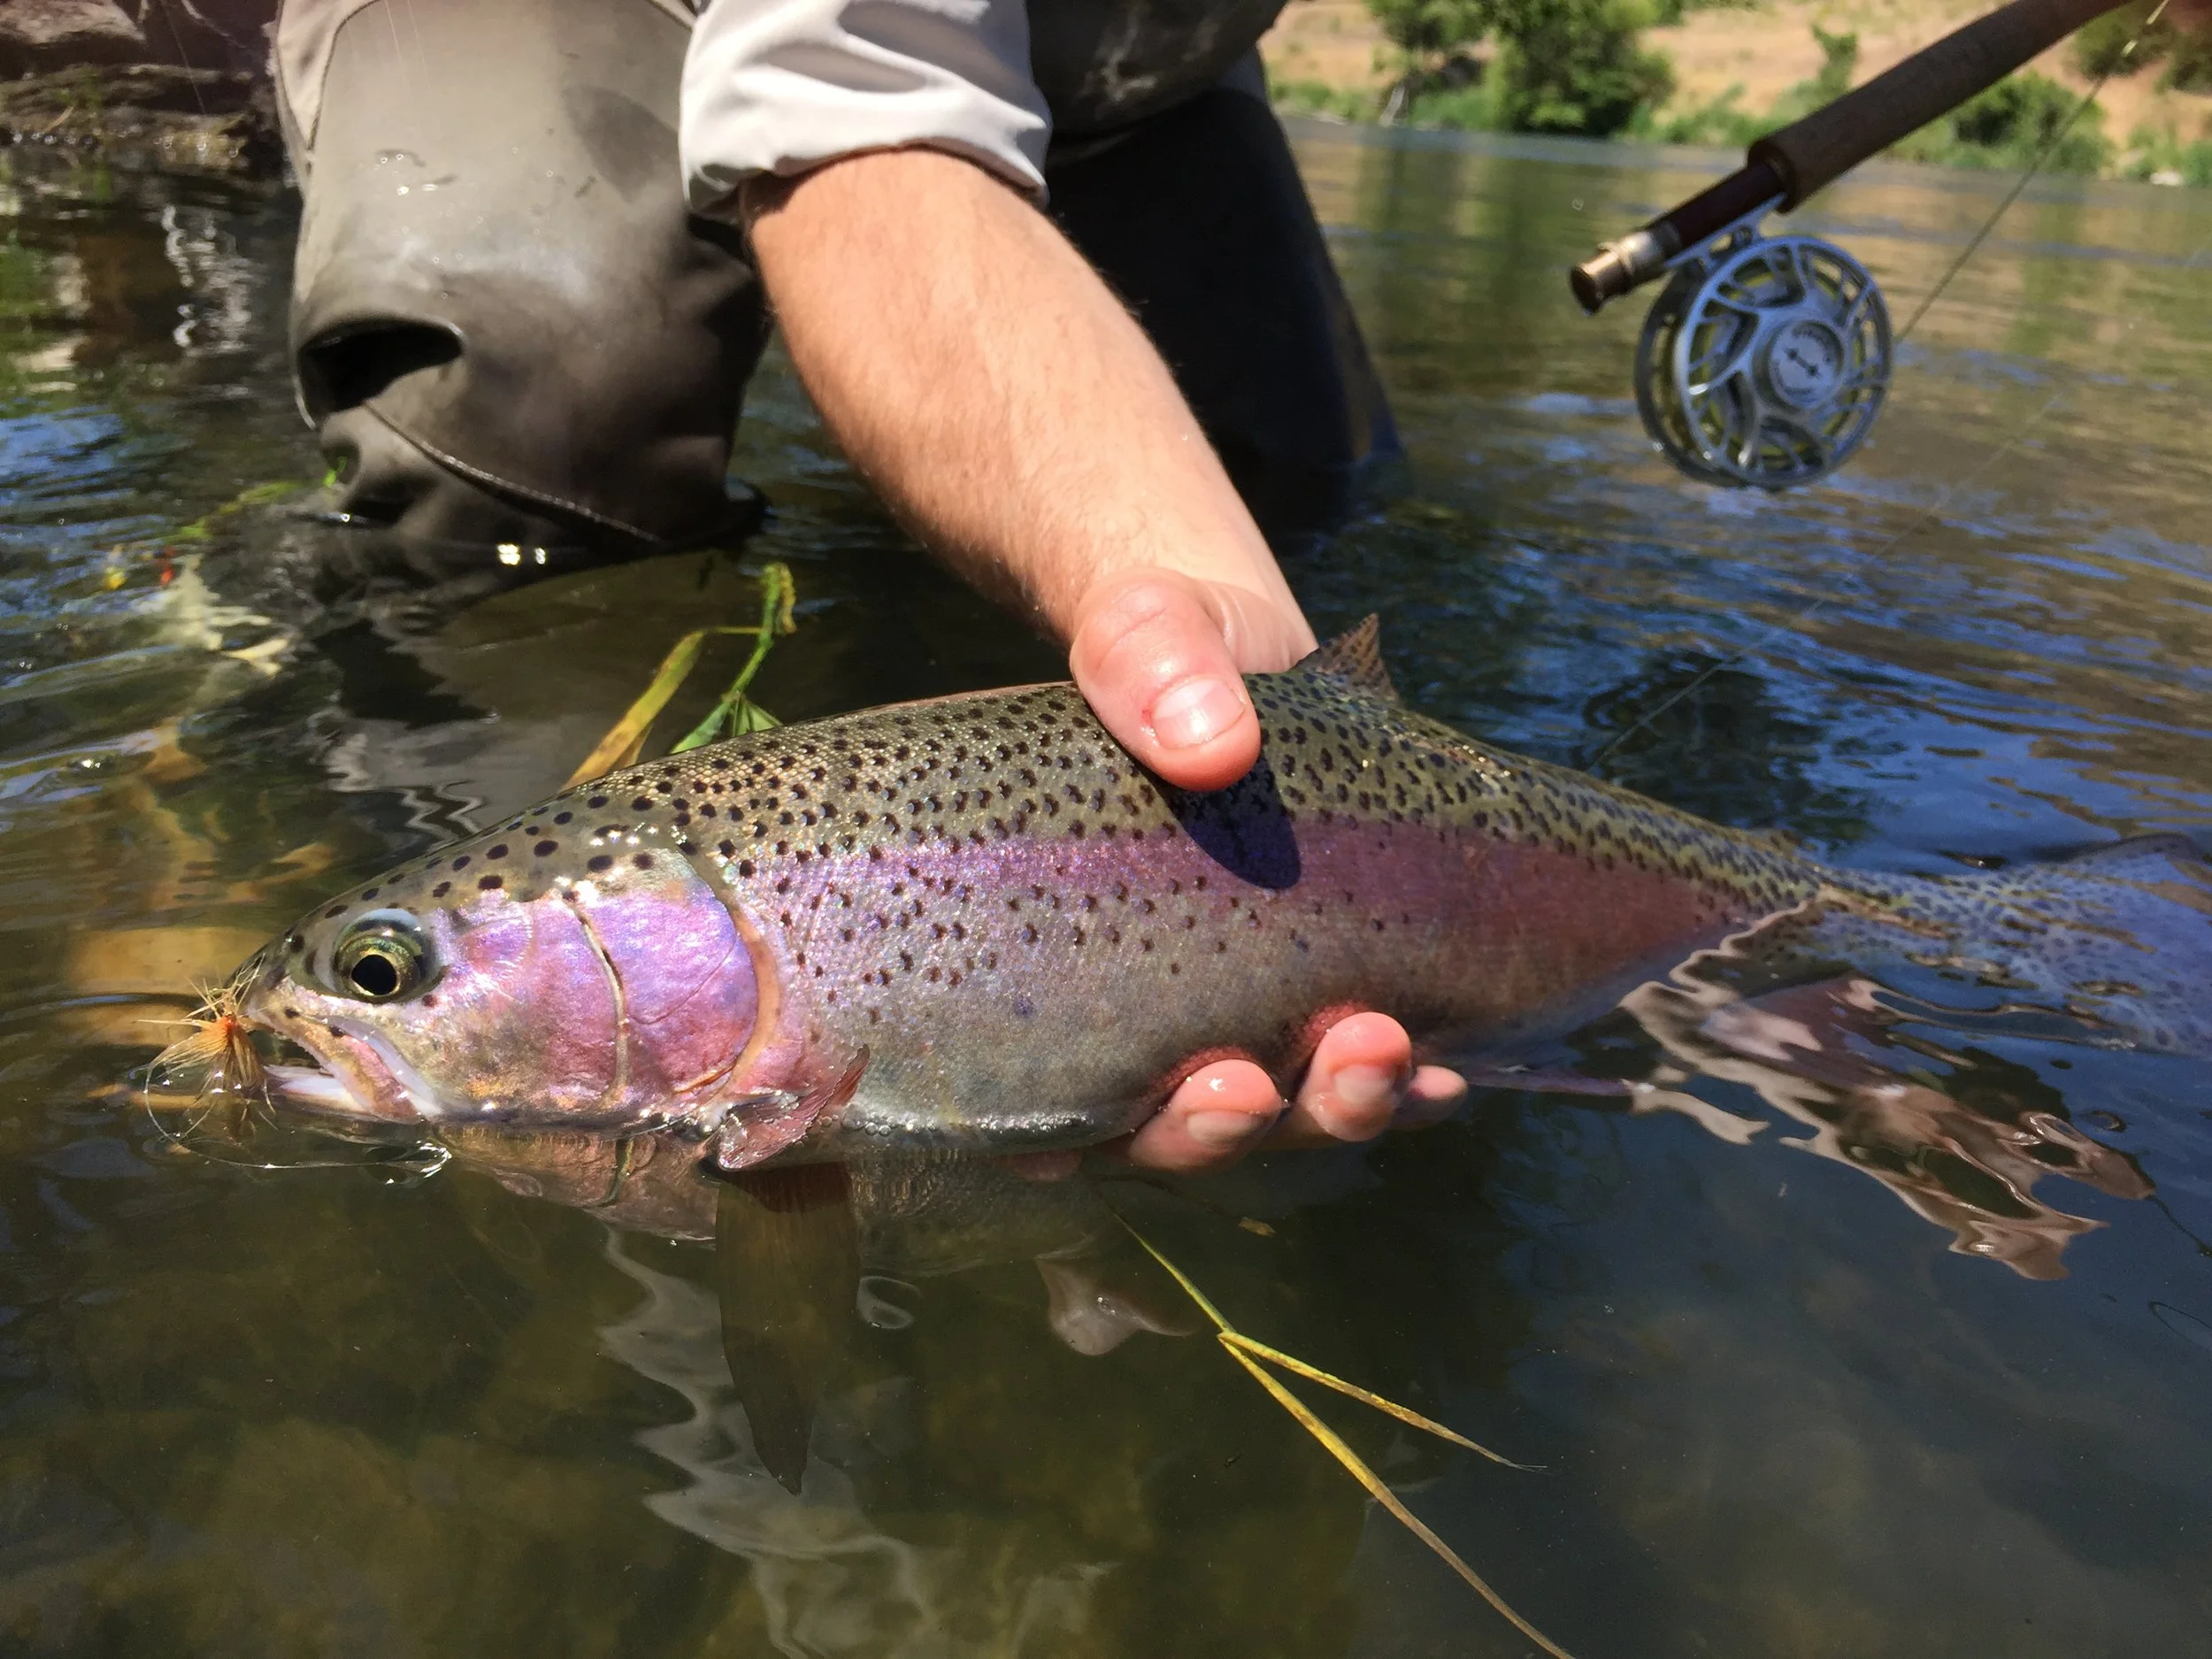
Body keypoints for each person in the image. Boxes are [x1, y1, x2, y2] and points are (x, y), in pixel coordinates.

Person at [273, 0, 1468, 1171]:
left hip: (1132, 62)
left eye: (385, 975)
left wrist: (1248, 652)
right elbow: (853, 99)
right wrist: (1145, 564)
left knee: (1303, 487)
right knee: (509, 439)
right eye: (386, 975)